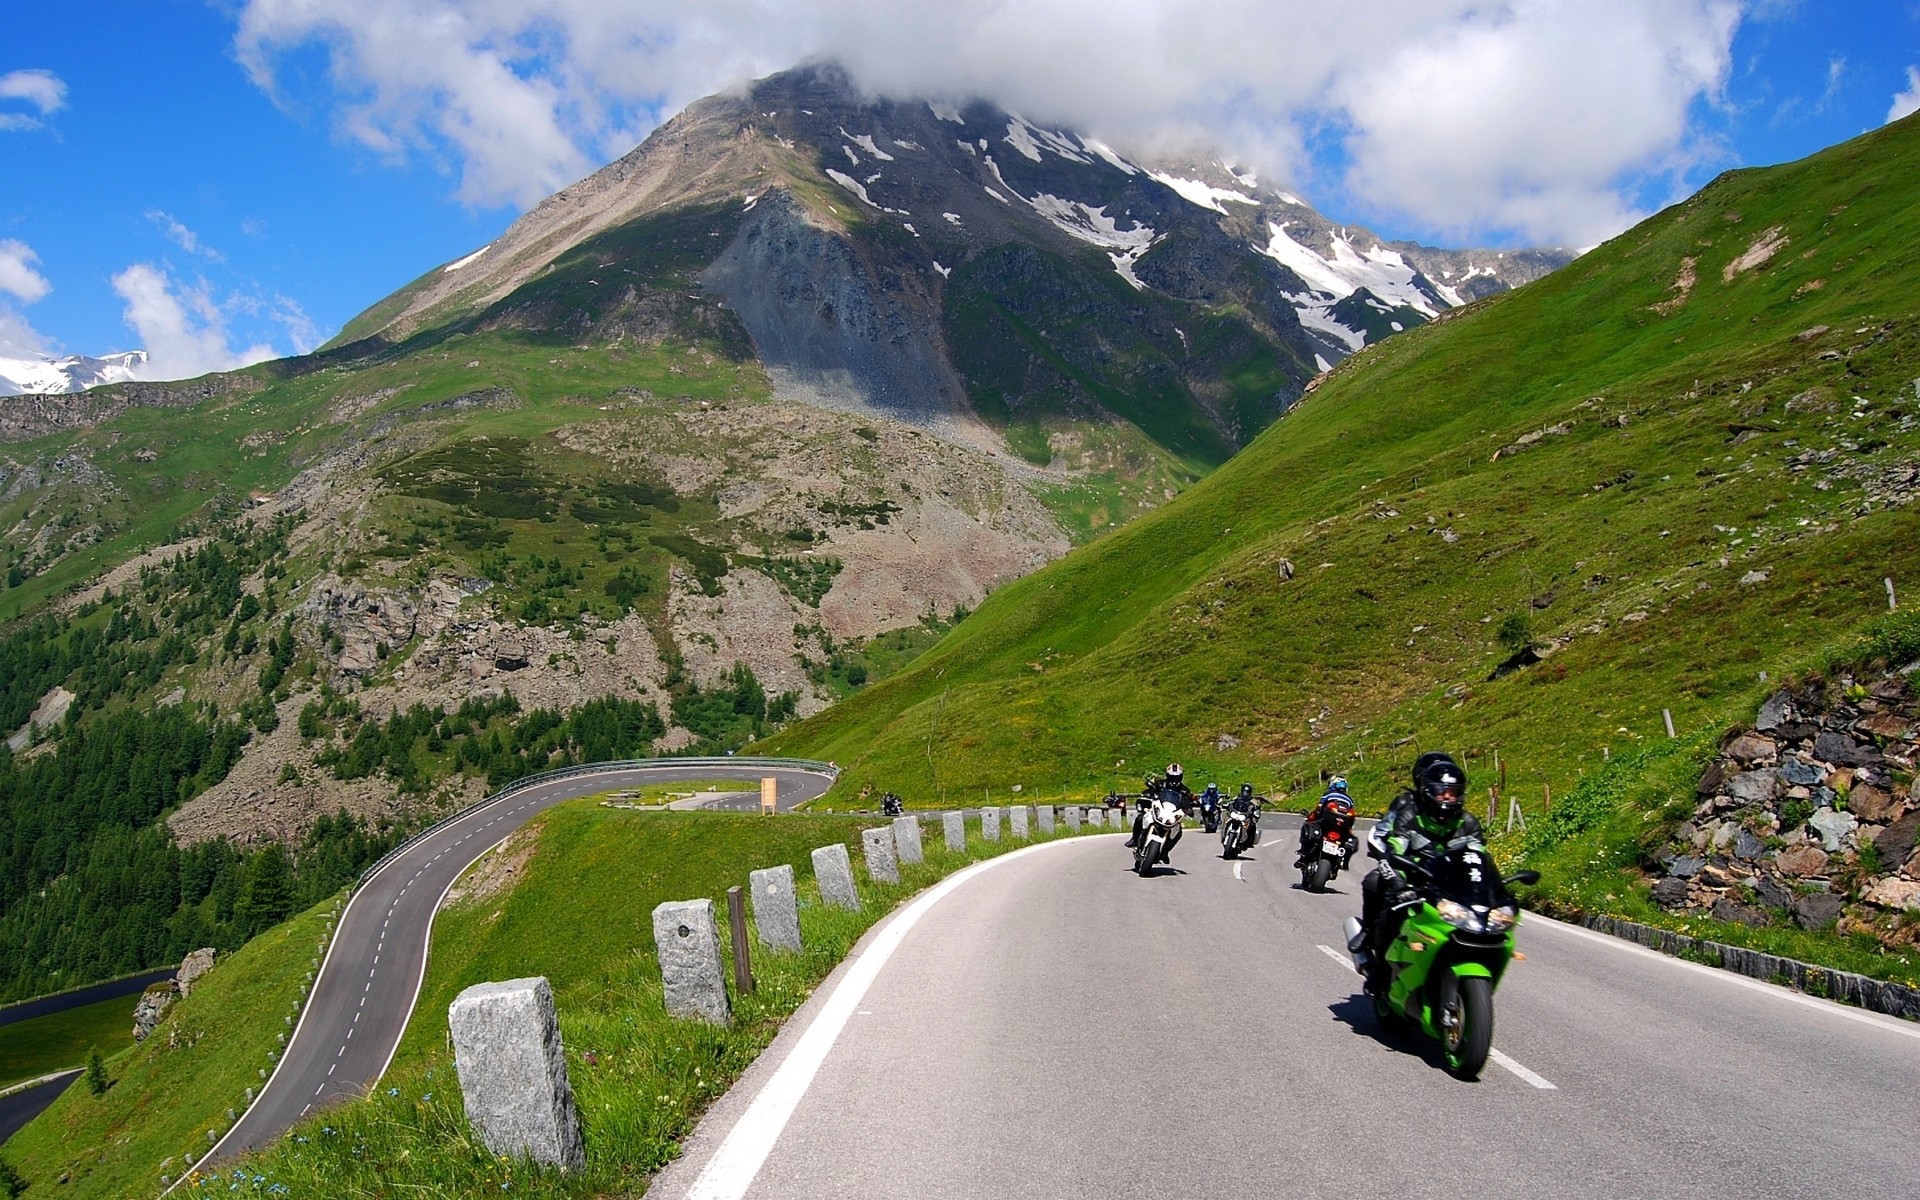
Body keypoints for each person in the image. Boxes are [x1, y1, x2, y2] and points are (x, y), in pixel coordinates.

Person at [1351, 752, 1481, 993]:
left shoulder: (1467, 822)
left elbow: (1479, 855)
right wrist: (1396, 876)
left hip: (1451, 880)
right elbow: (1389, 840)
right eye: (1441, 789)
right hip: (1413, 875)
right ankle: (1377, 956)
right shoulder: (1407, 811)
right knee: (1376, 886)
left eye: (1452, 791)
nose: (1446, 796)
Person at [1126, 762, 1193, 853]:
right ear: (1167, 776)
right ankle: (1134, 839)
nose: (1174, 780)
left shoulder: (1184, 790)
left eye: (1176, 777)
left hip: (1172, 814)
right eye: (1172, 777)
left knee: (1179, 831)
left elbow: (1187, 801)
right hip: (1159, 809)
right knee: (1140, 818)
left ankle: (1165, 851)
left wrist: (1188, 809)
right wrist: (1148, 793)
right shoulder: (1160, 784)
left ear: (1181, 777)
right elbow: (1151, 790)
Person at [1296, 776, 1356, 866]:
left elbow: (1318, 809)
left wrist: (1310, 818)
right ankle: (1339, 861)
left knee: (1307, 827)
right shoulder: (1350, 800)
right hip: (1342, 826)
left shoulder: (1328, 794)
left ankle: (1303, 855)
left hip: (1327, 823)